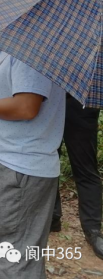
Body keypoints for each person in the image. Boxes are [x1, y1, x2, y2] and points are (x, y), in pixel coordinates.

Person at [0, 51, 65, 279]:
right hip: (14, 164)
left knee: (11, 258)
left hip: (17, 169)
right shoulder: (18, 49)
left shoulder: (33, 52)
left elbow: (26, 107)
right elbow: (19, 94)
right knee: (23, 255)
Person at [52, 95, 103, 259]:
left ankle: (93, 230)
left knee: (86, 169)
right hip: (47, 100)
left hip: (82, 103)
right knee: (47, 162)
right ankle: (52, 216)